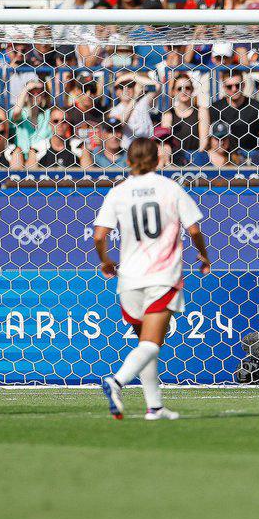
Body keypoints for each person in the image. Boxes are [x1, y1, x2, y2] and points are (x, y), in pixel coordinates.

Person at [93, 138, 212, 420]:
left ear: (129, 160)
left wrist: (105, 261)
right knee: (152, 343)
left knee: (144, 344)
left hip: (129, 279)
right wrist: (203, 256)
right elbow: (194, 230)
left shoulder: (118, 193)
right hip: (161, 276)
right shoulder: (171, 189)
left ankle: (154, 406)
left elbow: (99, 235)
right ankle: (117, 381)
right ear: (158, 160)